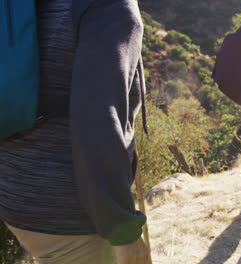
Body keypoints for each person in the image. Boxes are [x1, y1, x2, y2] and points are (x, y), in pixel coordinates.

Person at [0, 0, 150, 263]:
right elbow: (99, 123)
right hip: (71, 214)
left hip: (13, 193)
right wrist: (123, 231)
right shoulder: (110, 7)